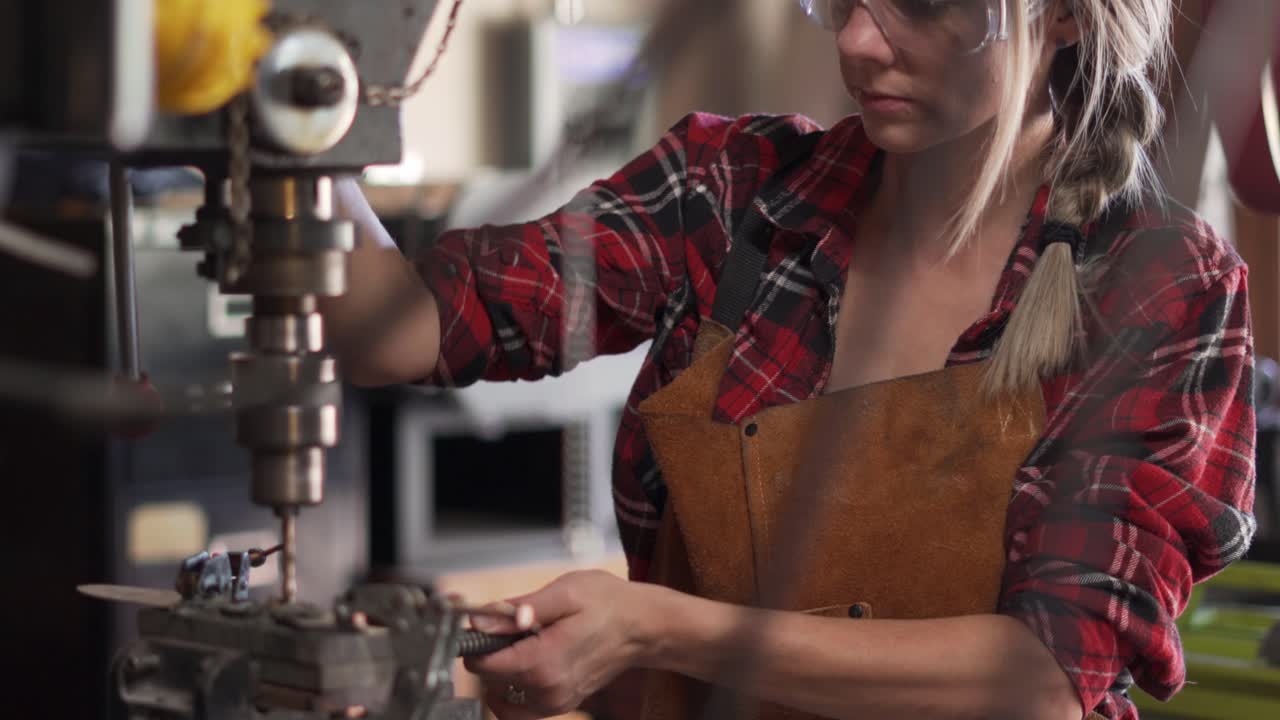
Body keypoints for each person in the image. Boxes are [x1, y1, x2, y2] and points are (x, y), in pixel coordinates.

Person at [320, 1, 1257, 718]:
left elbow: (1043, 676)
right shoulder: (734, 192)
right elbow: (396, 330)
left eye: (919, 4)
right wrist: (291, 142)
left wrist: (659, 629)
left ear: (1058, 16)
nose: (856, 41)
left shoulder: (1161, 285)